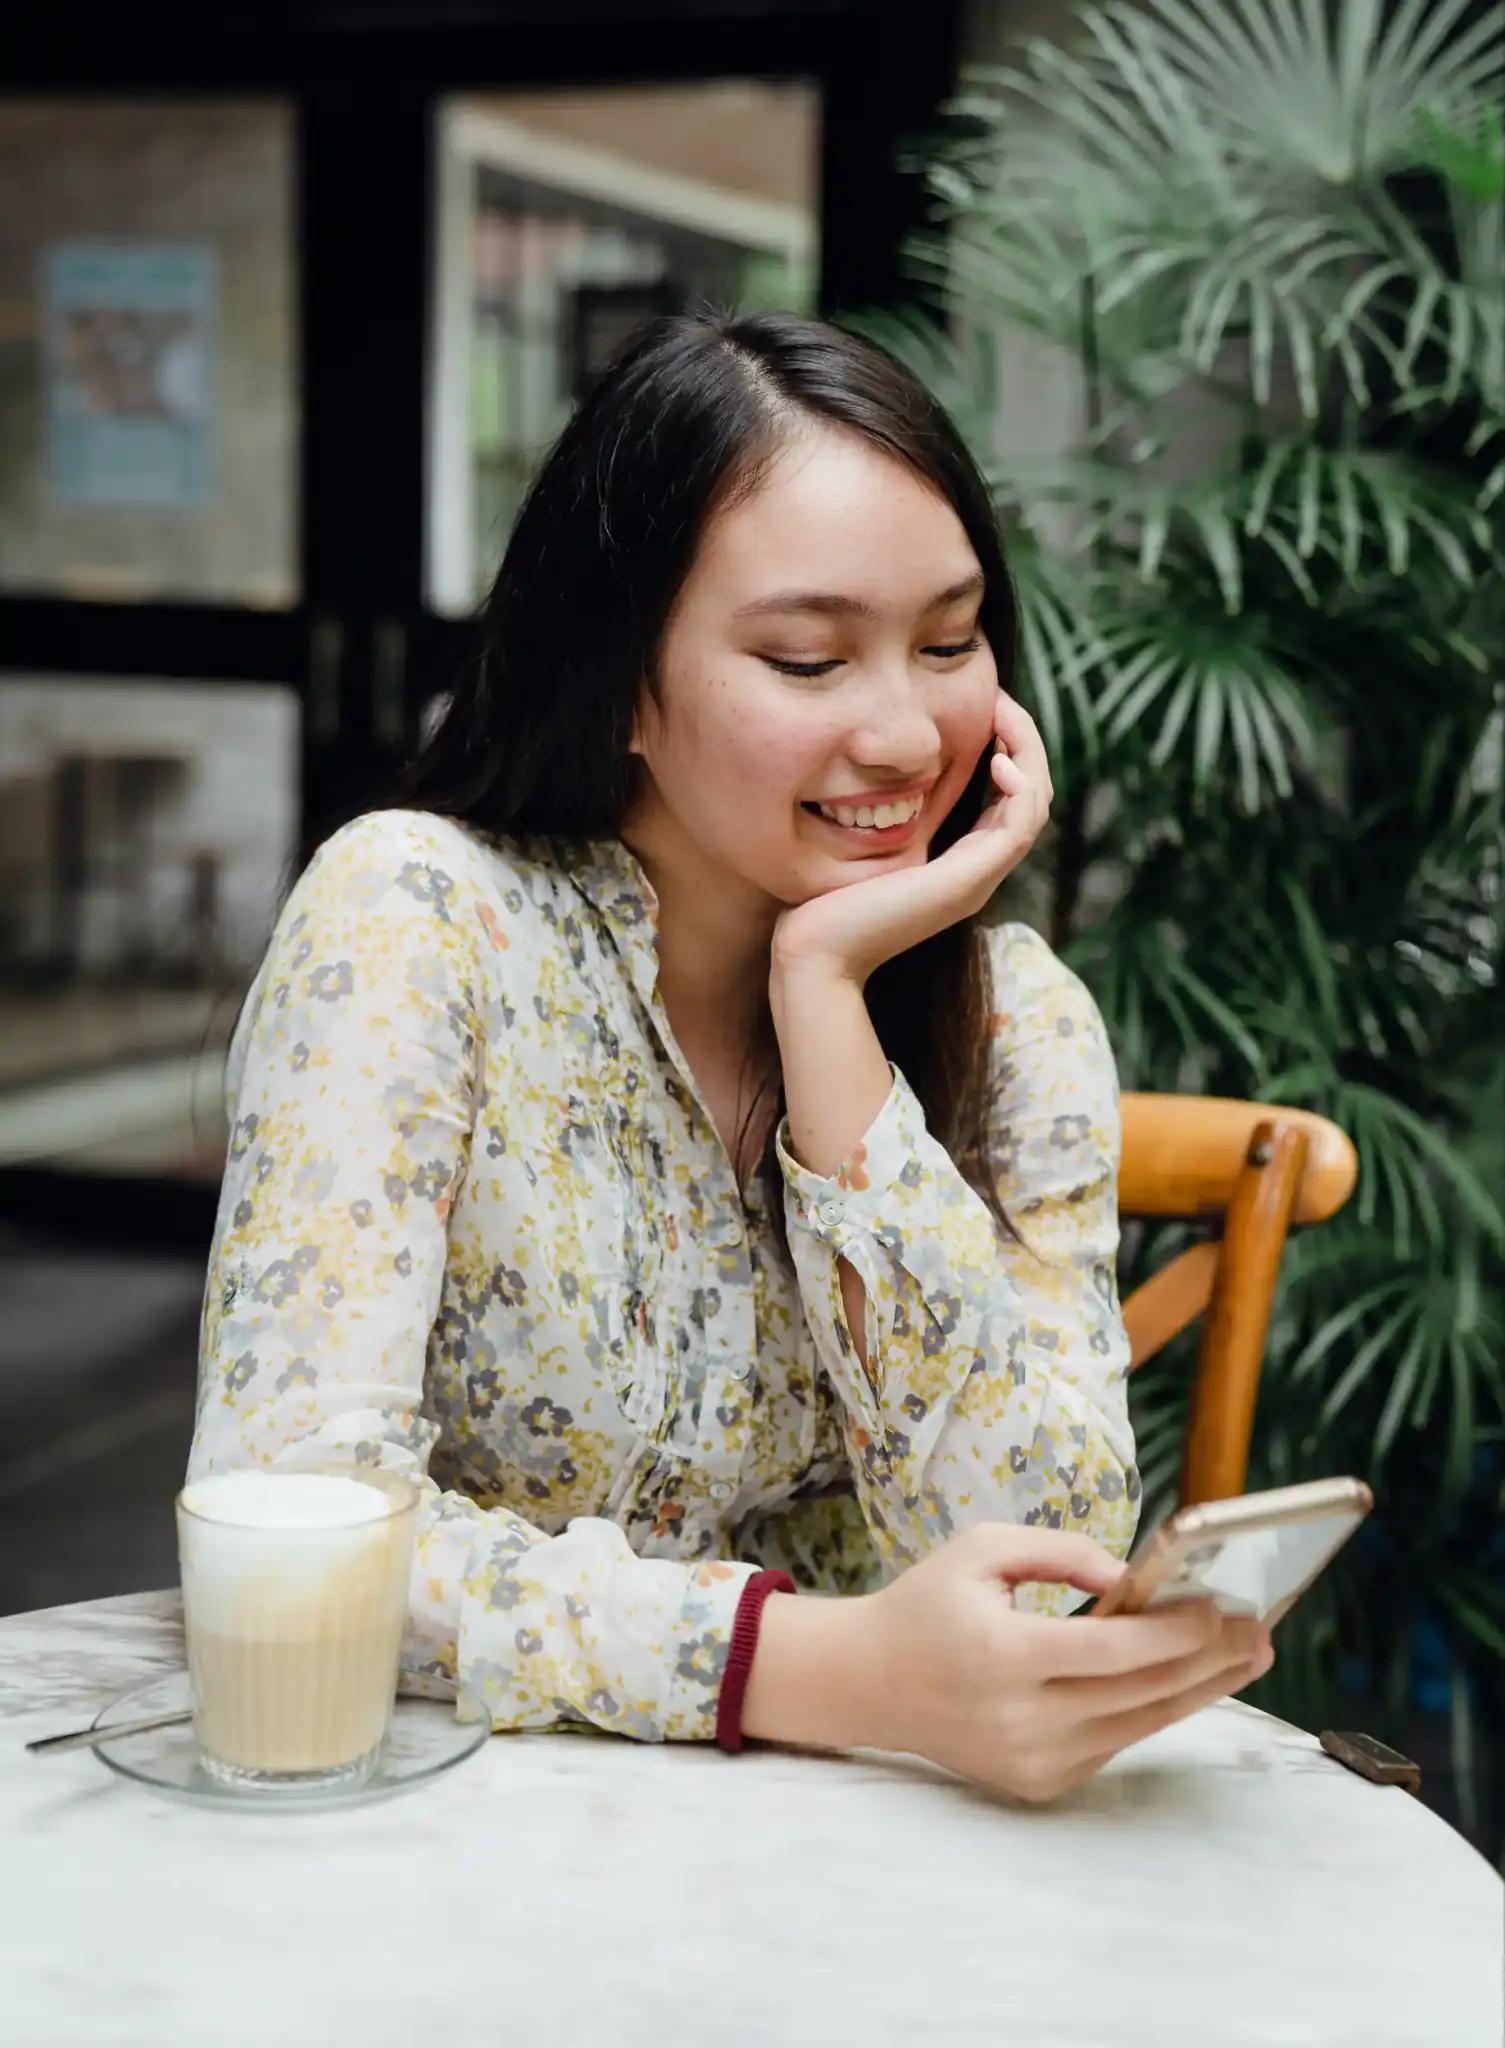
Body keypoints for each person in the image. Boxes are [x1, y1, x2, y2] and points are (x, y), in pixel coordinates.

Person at [189, 310, 1271, 1805]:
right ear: (622, 676)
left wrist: (828, 1008)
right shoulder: (418, 922)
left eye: (950, 642)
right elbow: (294, 1522)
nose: (904, 731)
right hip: (452, 1836)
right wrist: (809, 1665)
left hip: (866, 1853)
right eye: (808, 658)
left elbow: (1041, 1573)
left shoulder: (1016, 1020)